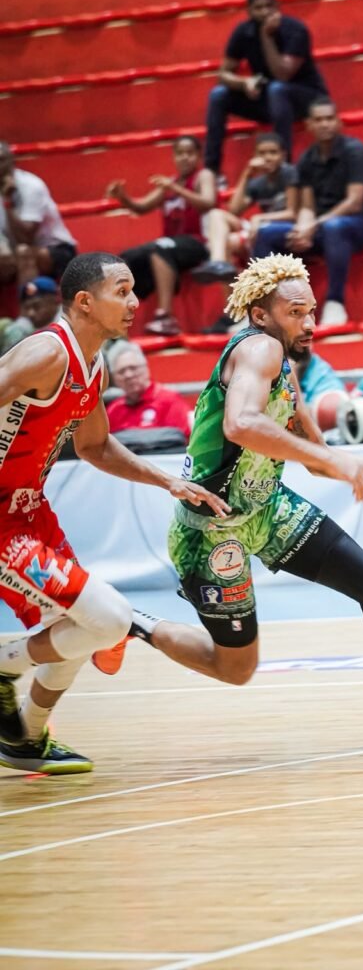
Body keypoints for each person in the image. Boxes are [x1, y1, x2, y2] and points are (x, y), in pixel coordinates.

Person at [123, 254, 363, 741]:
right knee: (235, 667)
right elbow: (241, 424)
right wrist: (335, 461)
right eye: (295, 313)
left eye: (310, 311)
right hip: (210, 527)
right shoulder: (258, 349)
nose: (309, 323)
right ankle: (131, 623)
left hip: (265, 508)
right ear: (261, 314)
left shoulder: (282, 364)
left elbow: (319, 457)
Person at [0, 252, 228, 775]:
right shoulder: (46, 354)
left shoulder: (94, 364)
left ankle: (26, 738)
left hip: (29, 510)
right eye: (122, 291)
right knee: (108, 619)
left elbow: (97, 447)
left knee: (73, 630)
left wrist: (168, 479)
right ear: (85, 301)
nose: (134, 302)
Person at [252, 98, 363, 326]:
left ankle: (334, 303)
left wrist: (314, 226)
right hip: (322, 227)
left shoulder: (355, 151)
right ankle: (268, 308)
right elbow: (307, 206)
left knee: (335, 226)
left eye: (329, 119)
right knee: (266, 234)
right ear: (309, 125)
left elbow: (354, 202)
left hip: (360, 225)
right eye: (319, 120)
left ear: (339, 122)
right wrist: (303, 229)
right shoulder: (307, 159)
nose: (325, 124)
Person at [106, 135, 234, 337]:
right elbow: (141, 208)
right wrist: (123, 197)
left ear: (198, 156)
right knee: (127, 258)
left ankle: (166, 317)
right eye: (180, 153)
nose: (185, 158)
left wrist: (175, 189)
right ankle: (117, 317)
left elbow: (208, 202)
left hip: (200, 242)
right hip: (175, 246)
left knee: (160, 247)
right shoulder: (171, 183)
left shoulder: (203, 176)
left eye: (190, 153)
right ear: (174, 157)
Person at [204, 0, 328, 176]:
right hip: (271, 99)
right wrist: (244, 82)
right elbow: (223, 74)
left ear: (277, 6)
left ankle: (283, 170)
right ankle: (212, 171)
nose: (264, 12)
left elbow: (282, 74)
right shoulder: (243, 32)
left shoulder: (295, 30)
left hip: (307, 98)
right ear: (249, 11)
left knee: (277, 88)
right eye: (258, 8)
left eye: (268, 6)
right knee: (218, 94)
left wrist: (266, 36)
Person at [203, 131, 299, 333]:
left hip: (285, 232)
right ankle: (219, 265)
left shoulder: (290, 173)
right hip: (261, 232)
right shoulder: (258, 182)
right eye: (262, 153)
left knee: (231, 238)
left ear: (283, 155)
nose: (267, 158)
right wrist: (247, 173)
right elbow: (234, 210)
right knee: (216, 216)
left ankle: (238, 311)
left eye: (273, 152)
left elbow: (293, 212)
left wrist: (260, 218)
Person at [0, 141, 77, 288]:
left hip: (56, 251)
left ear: (12, 161)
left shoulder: (30, 186)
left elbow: (25, 238)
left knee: (23, 252)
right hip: (11, 250)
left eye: (1, 160)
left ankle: (28, 307)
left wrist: (8, 203)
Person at [107, 341, 191, 439]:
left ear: (146, 368)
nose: (128, 375)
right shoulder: (113, 410)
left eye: (133, 368)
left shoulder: (170, 401)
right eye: (121, 371)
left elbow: (184, 442)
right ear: (114, 378)